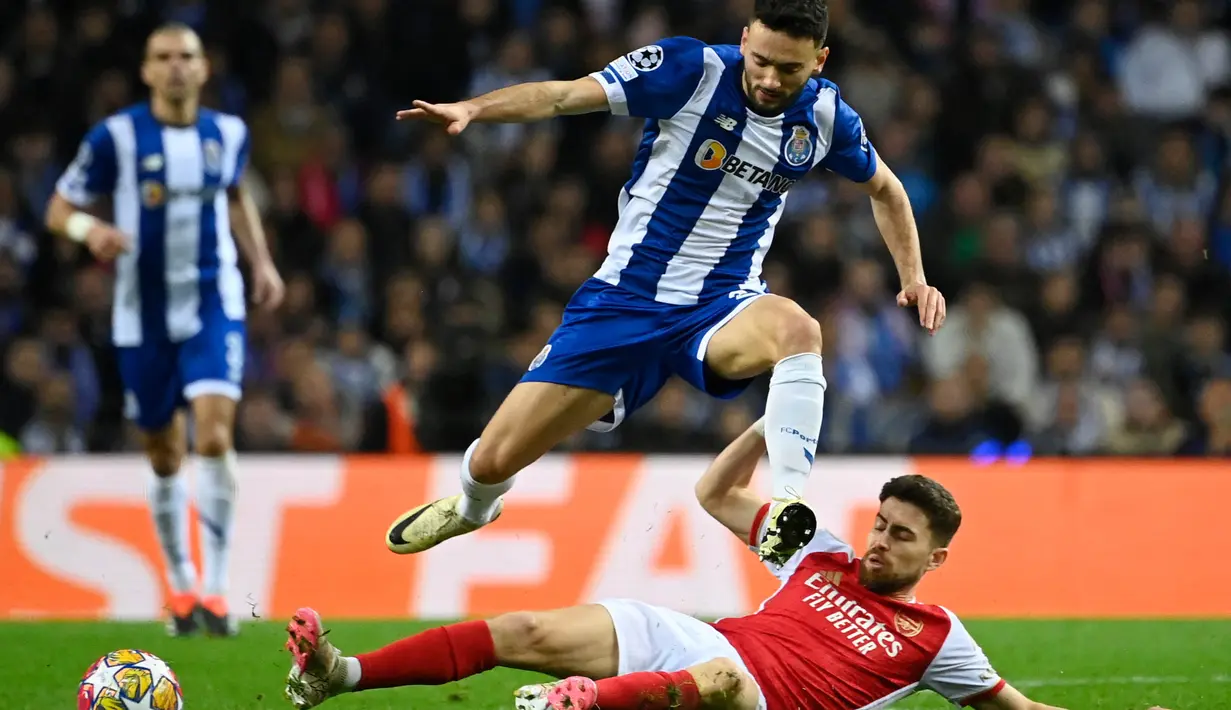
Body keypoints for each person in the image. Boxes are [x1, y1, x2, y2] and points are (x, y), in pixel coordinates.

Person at [388, 0, 946, 567]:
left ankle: (788, 503)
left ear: (820, 60)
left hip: (721, 304)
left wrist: (915, 278)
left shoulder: (827, 119)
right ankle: (473, 509)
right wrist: (474, 108)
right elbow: (564, 95)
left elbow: (887, 190)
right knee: (492, 461)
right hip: (622, 302)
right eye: (762, 61)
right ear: (745, 36)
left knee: (798, 329)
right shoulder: (689, 70)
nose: (771, 79)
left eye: (791, 69)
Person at [283, 419, 1071, 710]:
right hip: (710, 647)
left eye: (901, 539)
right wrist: (773, 424)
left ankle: (585, 704)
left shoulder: (935, 635)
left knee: (727, 684)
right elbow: (714, 491)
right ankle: (340, 674)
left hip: (760, 701)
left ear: (934, 558)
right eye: (881, 524)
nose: (878, 542)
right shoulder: (821, 552)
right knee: (525, 626)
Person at [44, 22, 284, 636]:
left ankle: (218, 590)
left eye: (188, 57)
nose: (176, 66)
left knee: (212, 434)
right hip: (141, 313)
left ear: (205, 69)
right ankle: (179, 588)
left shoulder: (228, 133)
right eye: (163, 57)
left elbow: (234, 196)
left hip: (212, 300)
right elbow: (58, 208)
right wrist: (88, 232)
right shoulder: (116, 138)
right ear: (146, 71)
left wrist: (260, 262)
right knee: (165, 453)